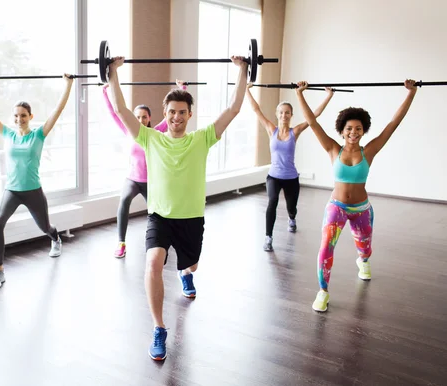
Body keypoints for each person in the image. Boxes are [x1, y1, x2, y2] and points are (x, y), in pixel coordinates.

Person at [107, 56, 248, 360]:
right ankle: (159, 328)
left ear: (190, 114)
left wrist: (242, 70)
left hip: (191, 219)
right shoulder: (150, 138)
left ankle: (187, 273)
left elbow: (234, 108)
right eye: (171, 112)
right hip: (159, 216)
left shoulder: (202, 139)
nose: (176, 117)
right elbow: (120, 109)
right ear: (165, 113)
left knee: (191, 264)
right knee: (153, 264)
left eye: (182, 112)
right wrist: (113, 72)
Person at [294, 79, 418, 312]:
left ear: (363, 131)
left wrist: (411, 93)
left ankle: (363, 260)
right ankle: (323, 291)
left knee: (365, 247)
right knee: (325, 248)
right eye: (349, 128)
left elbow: (394, 123)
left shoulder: (369, 151)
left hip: (361, 209)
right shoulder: (333, 148)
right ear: (342, 130)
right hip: (336, 206)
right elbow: (311, 121)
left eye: (358, 128)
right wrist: (300, 94)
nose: (353, 132)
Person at [0, 73, 74, 290]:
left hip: (33, 190)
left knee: (45, 227)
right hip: (12, 191)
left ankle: (55, 238)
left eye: (23, 115)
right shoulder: (7, 134)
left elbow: (57, 111)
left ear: (30, 116)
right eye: (16, 116)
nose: (19, 119)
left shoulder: (38, 135)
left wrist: (68, 84)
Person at [102, 80, 188, 258]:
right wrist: (105, 91)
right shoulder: (128, 131)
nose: (140, 120)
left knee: (158, 211)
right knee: (124, 200)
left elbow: (171, 116)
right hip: (133, 179)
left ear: (149, 118)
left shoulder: (155, 132)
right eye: (137, 117)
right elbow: (113, 112)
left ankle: (165, 241)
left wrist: (182, 89)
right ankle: (121, 242)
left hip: (151, 181)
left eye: (144, 117)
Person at [245, 84, 335, 251]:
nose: (284, 115)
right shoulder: (271, 129)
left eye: (287, 112)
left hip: (291, 177)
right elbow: (256, 110)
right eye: (281, 112)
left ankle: (292, 218)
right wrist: (247, 90)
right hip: (273, 176)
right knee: (272, 202)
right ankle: (268, 237)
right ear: (277, 114)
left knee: (291, 207)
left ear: (291, 115)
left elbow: (314, 116)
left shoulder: (296, 131)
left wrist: (329, 96)